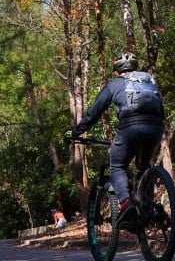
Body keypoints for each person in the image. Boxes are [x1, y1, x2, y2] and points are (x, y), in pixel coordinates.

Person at [68, 52, 164, 226]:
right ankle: (148, 210)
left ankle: (126, 203)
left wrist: (77, 132)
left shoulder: (114, 84)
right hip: (156, 126)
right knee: (144, 167)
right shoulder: (148, 81)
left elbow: (94, 112)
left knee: (118, 164)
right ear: (134, 67)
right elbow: (160, 106)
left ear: (116, 71)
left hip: (131, 128)